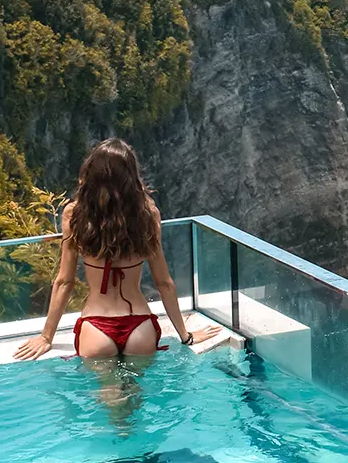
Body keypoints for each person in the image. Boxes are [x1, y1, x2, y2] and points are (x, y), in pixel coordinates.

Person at [14, 139, 220, 361]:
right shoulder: (147, 213)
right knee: (137, 394)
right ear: (131, 176)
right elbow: (164, 283)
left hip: (96, 326)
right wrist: (185, 336)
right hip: (139, 325)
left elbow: (65, 282)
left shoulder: (74, 214)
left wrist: (46, 337)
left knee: (110, 394)